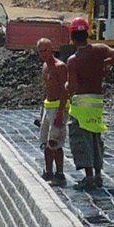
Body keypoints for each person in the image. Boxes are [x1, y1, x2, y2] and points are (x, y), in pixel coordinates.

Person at [63, 16, 114, 188]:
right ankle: (98, 175)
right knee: (95, 137)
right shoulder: (99, 49)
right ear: (88, 33)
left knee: (82, 139)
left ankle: (88, 177)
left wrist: (66, 85)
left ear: (72, 37)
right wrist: (104, 64)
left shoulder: (73, 60)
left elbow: (73, 86)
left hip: (82, 105)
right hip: (97, 103)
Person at [35, 37, 70, 185]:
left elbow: (65, 90)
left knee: (55, 142)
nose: (43, 53)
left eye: (45, 50)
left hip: (57, 108)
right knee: (45, 142)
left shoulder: (60, 67)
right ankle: (48, 172)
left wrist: (60, 112)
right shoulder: (45, 66)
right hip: (48, 107)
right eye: (41, 51)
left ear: (51, 49)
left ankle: (60, 174)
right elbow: (47, 89)